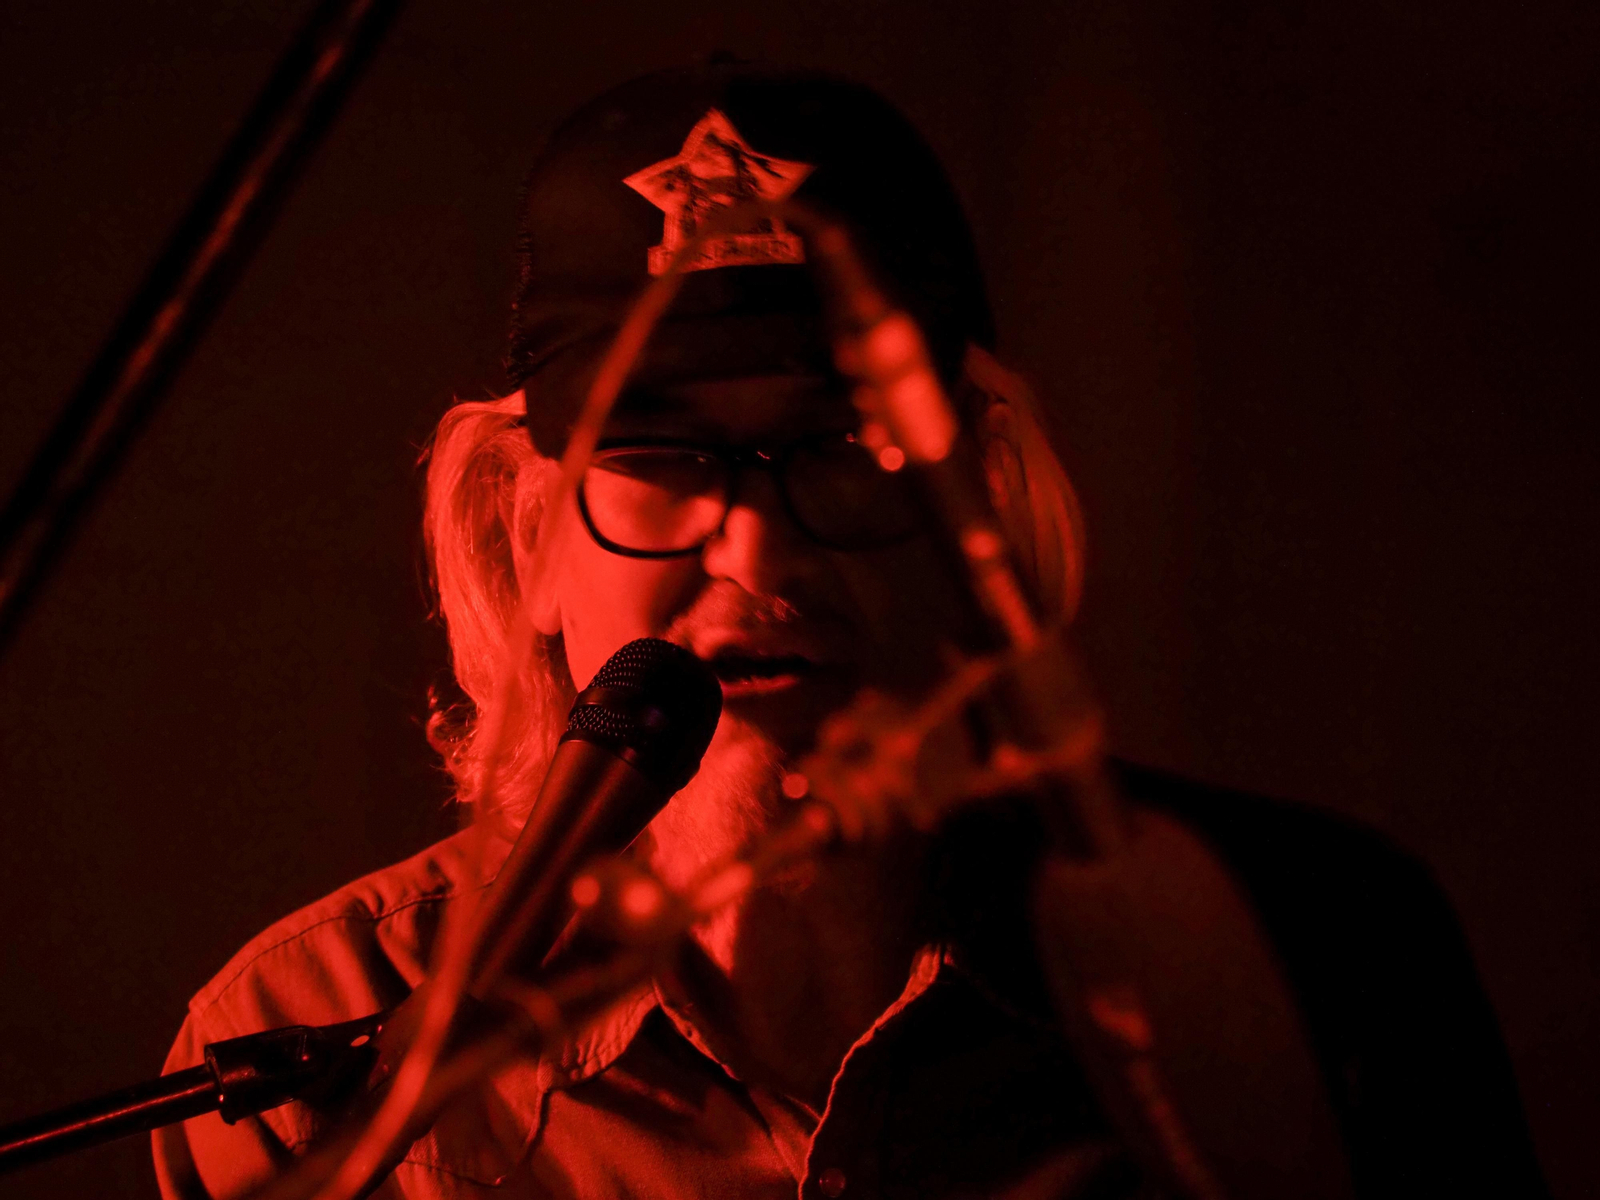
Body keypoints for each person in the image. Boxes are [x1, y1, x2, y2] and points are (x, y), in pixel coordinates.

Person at [152, 60, 1548, 1200]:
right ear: (529, 542)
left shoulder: (1316, 959)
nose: (755, 546)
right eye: (662, 458)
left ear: (978, 517)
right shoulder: (299, 1044)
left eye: (844, 450)